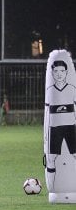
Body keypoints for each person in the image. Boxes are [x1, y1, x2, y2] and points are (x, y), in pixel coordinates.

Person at [44, 59, 76, 187]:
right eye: (56, 71)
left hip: (70, 127)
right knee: (51, 158)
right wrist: (46, 132)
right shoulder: (50, 90)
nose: (59, 74)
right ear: (52, 73)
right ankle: (51, 187)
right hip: (54, 128)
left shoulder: (72, 89)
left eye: (62, 71)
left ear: (66, 72)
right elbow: (47, 112)